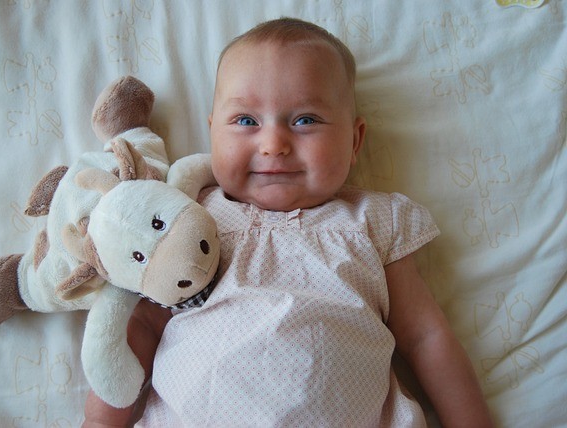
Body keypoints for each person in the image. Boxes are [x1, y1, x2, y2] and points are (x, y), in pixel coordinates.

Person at [84, 17, 493, 427]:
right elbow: (145, 324)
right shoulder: (191, 216)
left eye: (305, 120)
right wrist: (102, 421)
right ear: (213, 135)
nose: (274, 144)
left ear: (354, 141)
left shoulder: (374, 222)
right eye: (246, 121)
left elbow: (424, 337)